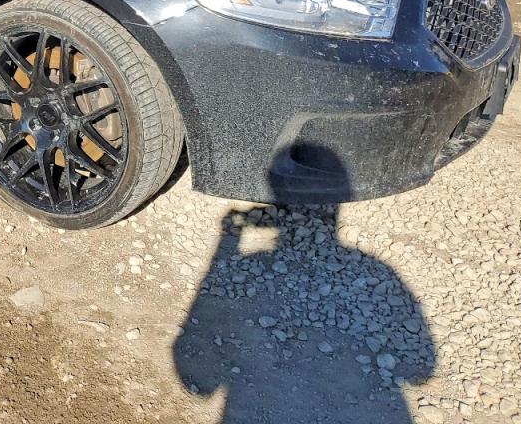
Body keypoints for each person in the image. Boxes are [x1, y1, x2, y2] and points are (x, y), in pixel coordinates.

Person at [173, 148, 434, 423]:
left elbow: (201, 383)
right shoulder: (381, 271)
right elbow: (423, 371)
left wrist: (229, 238)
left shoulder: (378, 271)